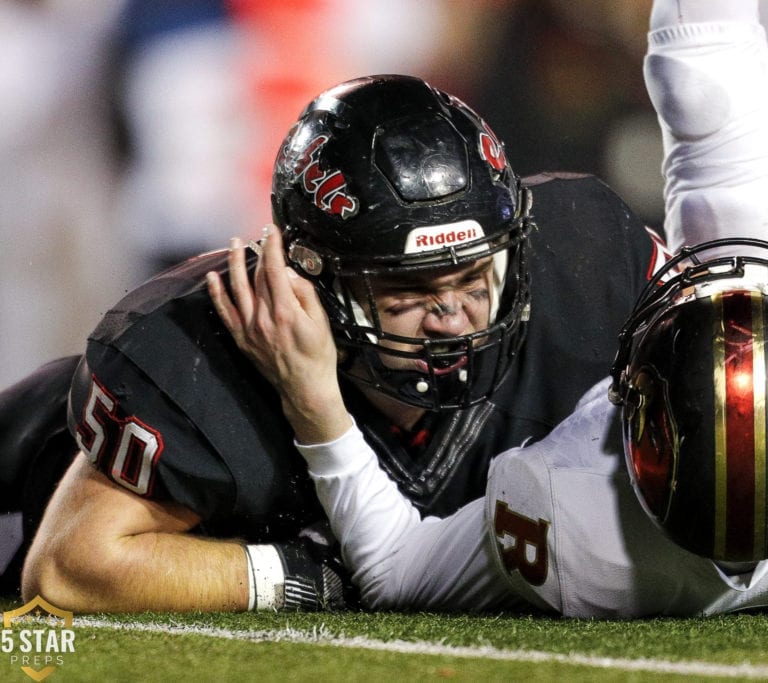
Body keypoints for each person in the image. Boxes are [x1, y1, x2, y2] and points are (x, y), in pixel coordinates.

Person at [210, 0, 768, 617]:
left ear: (632, 418)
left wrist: (315, 398)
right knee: (703, 64)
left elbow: (391, 568)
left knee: (700, 61)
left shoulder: (575, 519)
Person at [9, 75, 667, 612]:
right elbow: (71, 566)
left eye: (473, 277)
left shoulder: (589, 260)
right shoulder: (202, 350)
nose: (451, 319)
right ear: (310, 278)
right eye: (406, 293)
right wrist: (297, 577)